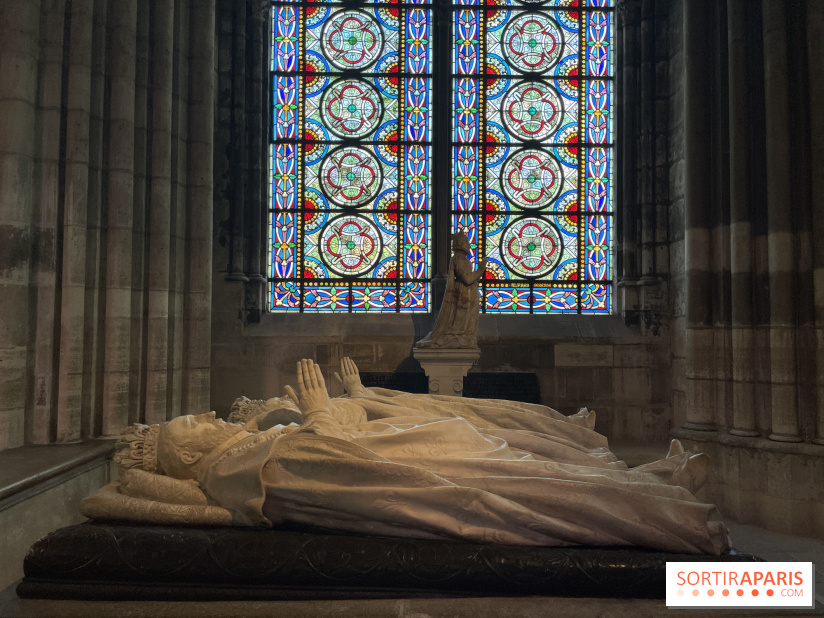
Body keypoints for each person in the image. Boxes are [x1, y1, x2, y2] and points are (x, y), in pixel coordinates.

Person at [92, 358, 729, 555]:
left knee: (531, 466)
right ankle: (670, 517)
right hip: (431, 480)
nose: (205, 417)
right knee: (537, 489)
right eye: (193, 425)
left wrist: (335, 407)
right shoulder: (232, 469)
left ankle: (656, 488)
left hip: (425, 457)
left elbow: (336, 442)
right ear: (186, 454)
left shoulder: (239, 451)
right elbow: (329, 463)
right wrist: (319, 410)